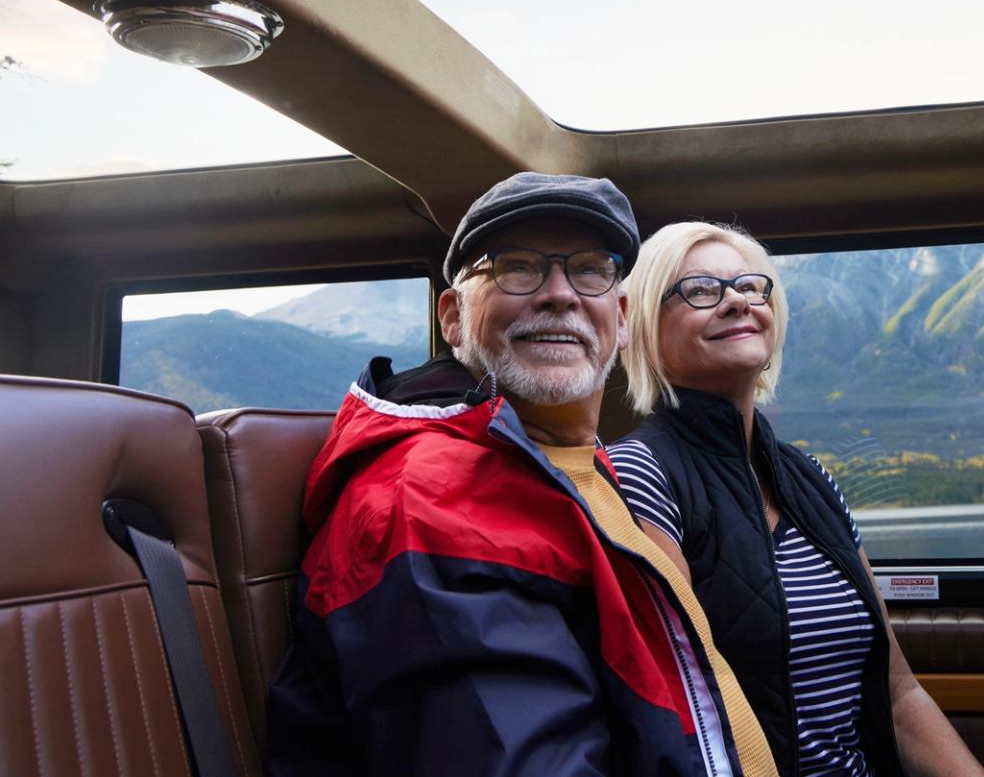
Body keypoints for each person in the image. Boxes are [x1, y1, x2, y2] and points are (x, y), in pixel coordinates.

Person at [267, 173, 778, 777]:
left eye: (590, 269)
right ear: (453, 318)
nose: (559, 294)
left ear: (618, 314)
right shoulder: (429, 501)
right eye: (515, 266)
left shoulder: (575, 465)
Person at [608, 222, 984, 777]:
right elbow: (684, 709)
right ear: (644, 326)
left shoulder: (810, 479)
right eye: (700, 291)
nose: (736, 301)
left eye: (748, 287)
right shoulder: (639, 473)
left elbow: (900, 695)